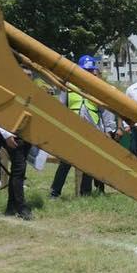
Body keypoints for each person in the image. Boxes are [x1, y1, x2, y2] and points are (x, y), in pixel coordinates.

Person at [50, 55, 108, 197]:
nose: (87, 72)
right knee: (66, 162)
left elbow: (103, 111)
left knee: (88, 163)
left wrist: (106, 130)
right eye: (85, 70)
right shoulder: (68, 86)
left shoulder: (98, 88)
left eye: (90, 70)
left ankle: (85, 193)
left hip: (92, 128)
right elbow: (61, 108)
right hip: (72, 128)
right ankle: (55, 192)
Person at [0, 123, 34, 220]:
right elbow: (1, 115)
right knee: (19, 172)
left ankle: (11, 207)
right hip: (12, 136)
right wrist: (7, 135)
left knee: (16, 172)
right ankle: (21, 208)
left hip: (23, 135)